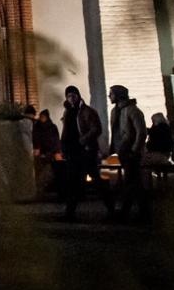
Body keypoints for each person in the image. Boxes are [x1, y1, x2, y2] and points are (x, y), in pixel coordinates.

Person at [60, 85, 111, 221]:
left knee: (96, 180)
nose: (71, 98)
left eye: (73, 95)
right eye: (69, 96)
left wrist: (84, 140)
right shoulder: (67, 112)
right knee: (73, 182)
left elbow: (96, 129)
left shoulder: (87, 111)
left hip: (85, 151)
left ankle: (110, 207)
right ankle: (69, 212)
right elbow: (66, 131)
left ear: (78, 95)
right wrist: (64, 147)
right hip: (73, 152)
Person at [108, 85, 148, 222]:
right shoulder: (115, 111)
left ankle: (130, 211)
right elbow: (115, 131)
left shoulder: (132, 111)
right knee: (133, 182)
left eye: (111, 94)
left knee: (131, 182)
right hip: (122, 151)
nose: (109, 96)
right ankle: (140, 211)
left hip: (130, 151)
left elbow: (141, 132)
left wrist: (135, 150)